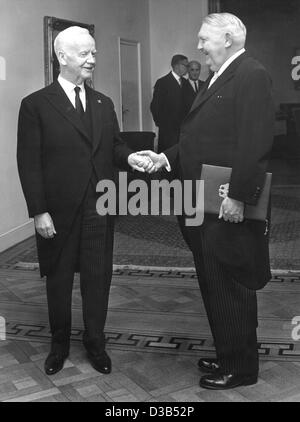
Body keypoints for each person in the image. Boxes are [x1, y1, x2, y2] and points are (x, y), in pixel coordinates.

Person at [138, 13, 275, 390]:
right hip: (202, 204)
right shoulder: (220, 75)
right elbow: (201, 136)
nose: (198, 46)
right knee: (214, 283)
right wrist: (166, 158)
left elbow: (255, 142)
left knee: (230, 286)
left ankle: (241, 369)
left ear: (227, 38)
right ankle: (227, 353)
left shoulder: (250, 74)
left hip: (224, 205)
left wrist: (238, 196)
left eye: (204, 39)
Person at [17, 26, 154, 376]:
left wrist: (130, 158)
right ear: (62, 57)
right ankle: (58, 346)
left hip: (100, 207)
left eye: (94, 53)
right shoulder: (35, 105)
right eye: (85, 54)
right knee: (59, 282)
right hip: (58, 212)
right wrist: (38, 211)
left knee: (98, 279)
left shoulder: (102, 102)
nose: (93, 59)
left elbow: (114, 146)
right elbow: (28, 163)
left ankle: (96, 343)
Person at [150, 54, 189, 152]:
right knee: (168, 158)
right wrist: (162, 124)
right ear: (177, 65)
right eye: (186, 65)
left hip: (183, 131)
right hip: (168, 131)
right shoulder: (162, 83)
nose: (187, 69)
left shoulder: (186, 83)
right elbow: (155, 106)